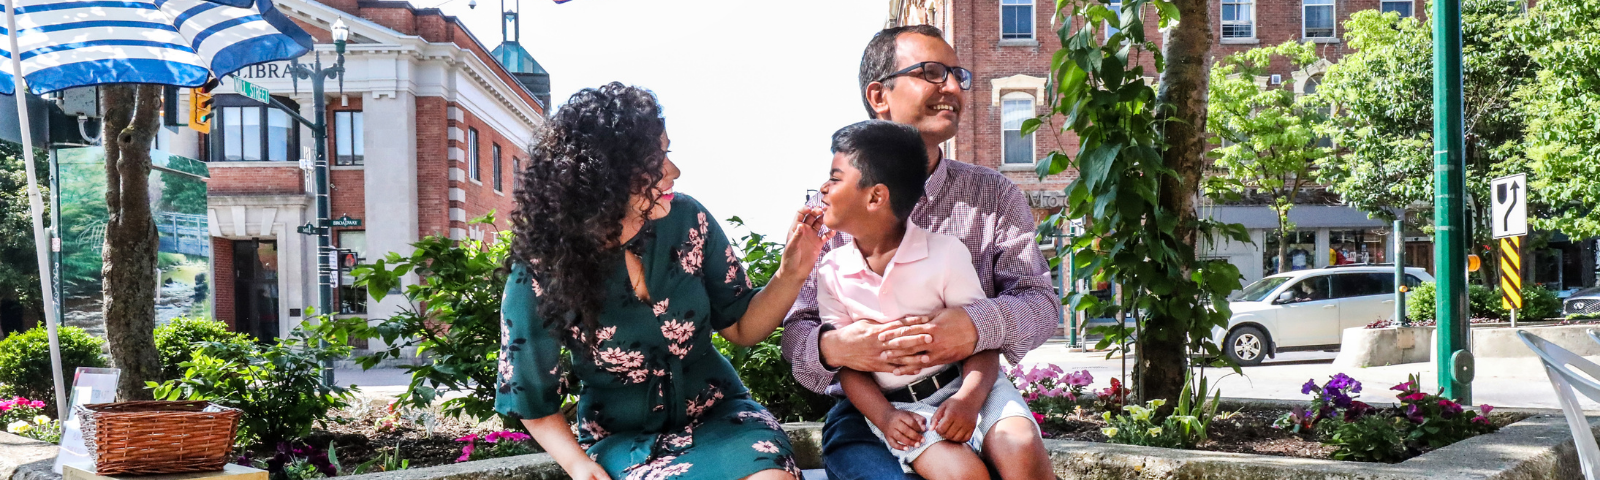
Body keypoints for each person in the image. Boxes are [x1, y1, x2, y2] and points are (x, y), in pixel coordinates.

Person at [498, 83, 832, 480]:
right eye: (655, 160)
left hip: (723, 415)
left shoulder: (688, 219)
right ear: (605, 176)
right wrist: (577, 464)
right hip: (623, 439)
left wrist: (791, 271)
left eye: (667, 153)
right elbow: (531, 397)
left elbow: (742, 326)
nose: (673, 171)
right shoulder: (541, 270)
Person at [780, 25, 1059, 480]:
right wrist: (837, 347)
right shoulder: (832, 212)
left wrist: (973, 327)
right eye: (931, 72)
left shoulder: (993, 194)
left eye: (956, 75)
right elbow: (796, 333)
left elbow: (1041, 304)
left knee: (1019, 453)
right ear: (879, 94)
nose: (952, 87)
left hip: (974, 386)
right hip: (867, 411)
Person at [817, 120, 1043, 480]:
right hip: (900, 407)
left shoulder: (945, 254)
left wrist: (968, 401)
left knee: (1021, 450)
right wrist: (886, 418)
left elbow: (983, 341)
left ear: (875, 197)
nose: (823, 190)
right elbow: (848, 367)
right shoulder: (830, 270)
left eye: (834, 178)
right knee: (962, 475)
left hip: (971, 387)